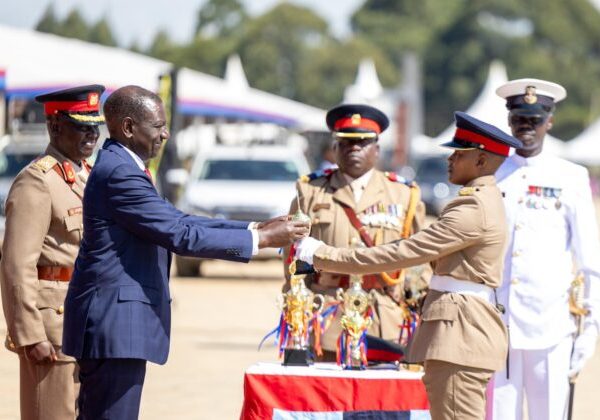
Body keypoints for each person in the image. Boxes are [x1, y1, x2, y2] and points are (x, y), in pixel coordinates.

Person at [61, 85, 308, 419]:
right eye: (158, 126)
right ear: (129, 127)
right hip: (114, 324)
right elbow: (179, 234)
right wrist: (262, 242)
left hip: (115, 324)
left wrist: (256, 228)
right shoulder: (120, 172)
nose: (166, 134)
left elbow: (178, 219)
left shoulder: (123, 165)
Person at [295, 111, 523, 420]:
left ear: (481, 161)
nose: (450, 159)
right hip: (456, 331)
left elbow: (402, 252)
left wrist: (322, 255)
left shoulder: (473, 207)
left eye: (459, 153)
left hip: (459, 334)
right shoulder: (481, 200)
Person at [283, 104, 428, 360]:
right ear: (335, 148)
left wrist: (413, 304)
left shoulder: (404, 195)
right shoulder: (311, 191)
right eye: (347, 143)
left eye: (362, 142)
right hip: (327, 316)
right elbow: (295, 258)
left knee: (379, 398)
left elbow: (419, 259)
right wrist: (299, 311)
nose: (354, 149)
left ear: (377, 149)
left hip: (384, 318)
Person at [492, 79, 600, 420]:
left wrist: (592, 329)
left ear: (548, 122)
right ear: (509, 120)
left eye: (534, 120)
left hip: (551, 326)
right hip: (498, 324)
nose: (526, 127)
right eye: (519, 119)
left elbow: (590, 261)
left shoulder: (570, 177)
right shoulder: (490, 174)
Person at [0, 84, 106, 420]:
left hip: (87, 319)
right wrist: (30, 335)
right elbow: (17, 266)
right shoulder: (37, 181)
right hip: (52, 327)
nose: (91, 135)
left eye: (95, 127)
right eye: (81, 125)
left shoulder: (85, 177)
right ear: (55, 125)